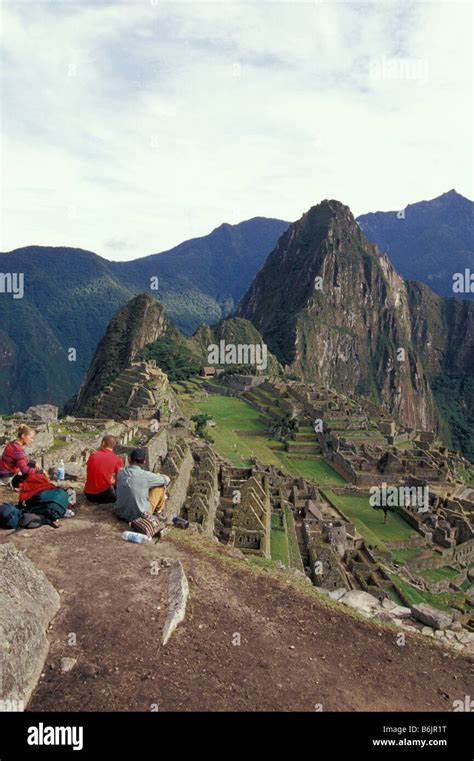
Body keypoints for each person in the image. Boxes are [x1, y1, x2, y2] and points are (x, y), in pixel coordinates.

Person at [114, 448, 170, 523]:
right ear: (144, 462)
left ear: (129, 459)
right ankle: (157, 513)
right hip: (139, 517)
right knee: (160, 487)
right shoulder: (146, 476)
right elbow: (166, 480)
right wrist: (157, 475)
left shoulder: (121, 472)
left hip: (120, 512)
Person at [84, 435, 123, 504]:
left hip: (89, 495)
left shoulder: (93, 456)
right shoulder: (117, 459)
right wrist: (112, 481)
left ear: (103, 443)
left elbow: (90, 471)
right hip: (105, 496)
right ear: (114, 445)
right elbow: (118, 480)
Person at [0, 424, 41, 489]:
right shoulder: (18, 450)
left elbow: (22, 459)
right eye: (31, 438)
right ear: (23, 436)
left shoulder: (13, 443)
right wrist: (39, 471)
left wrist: (34, 463)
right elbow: (24, 470)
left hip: (4, 473)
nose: (32, 440)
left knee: (33, 466)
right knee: (39, 474)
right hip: (8, 477)